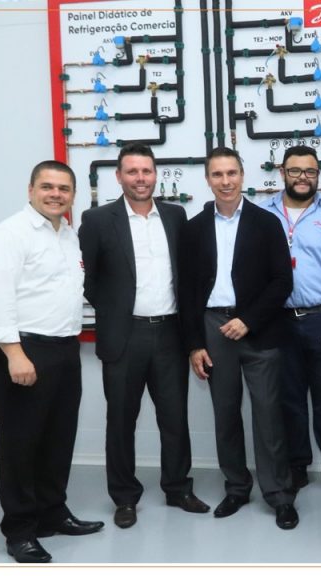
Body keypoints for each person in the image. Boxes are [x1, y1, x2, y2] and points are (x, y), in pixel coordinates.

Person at [0, 161, 104, 563]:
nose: (56, 194)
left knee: (58, 438)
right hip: (22, 350)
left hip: (64, 349)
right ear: (30, 189)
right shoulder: (7, 235)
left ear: (73, 196)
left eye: (64, 189)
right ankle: (19, 531)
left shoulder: (67, 235)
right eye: (47, 186)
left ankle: (52, 513)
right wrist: (15, 354)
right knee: (21, 444)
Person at [79, 143, 208, 529]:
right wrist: (114, 311)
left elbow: (185, 274)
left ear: (156, 175)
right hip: (124, 335)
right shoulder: (97, 220)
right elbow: (88, 281)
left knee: (175, 417)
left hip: (169, 333)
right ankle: (124, 497)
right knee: (121, 420)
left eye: (146, 171)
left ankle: (178, 488)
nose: (140, 178)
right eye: (132, 171)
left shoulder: (175, 215)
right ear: (119, 176)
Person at [178, 147, 299, 530]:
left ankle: (279, 495)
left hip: (258, 329)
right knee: (225, 414)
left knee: (268, 416)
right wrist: (195, 344)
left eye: (231, 173)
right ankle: (236, 487)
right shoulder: (194, 228)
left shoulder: (266, 223)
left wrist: (248, 319)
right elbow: (187, 292)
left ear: (242, 176)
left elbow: (282, 281)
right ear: (207, 179)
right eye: (217, 174)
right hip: (213, 328)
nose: (226, 181)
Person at [263, 145, 321, 501]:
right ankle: (296, 468)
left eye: (310, 171)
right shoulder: (262, 213)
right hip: (278, 322)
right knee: (289, 401)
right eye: (295, 170)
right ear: (282, 173)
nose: (303, 177)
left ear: (318, 175)